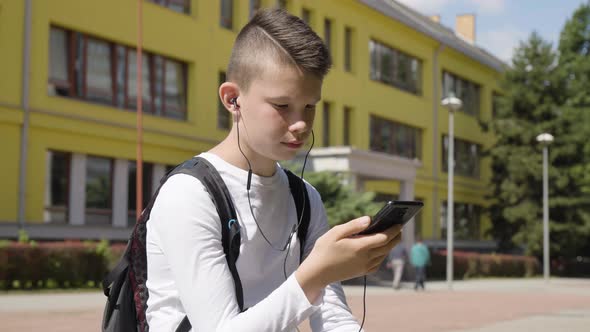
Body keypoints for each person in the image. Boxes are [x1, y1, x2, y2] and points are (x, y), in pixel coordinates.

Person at [145, 8, 402, 331]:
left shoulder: (305, 197)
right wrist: (317, 272)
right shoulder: (189, 194)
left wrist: (327, 274)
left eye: (310, 106)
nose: (300, 124)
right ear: (232, 99)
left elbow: (333, 317)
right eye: (282, 106)